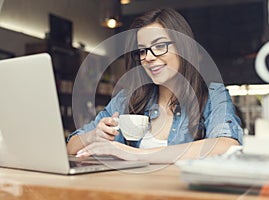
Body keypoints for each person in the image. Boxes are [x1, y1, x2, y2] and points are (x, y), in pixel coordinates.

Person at [66, 8, 243, 163]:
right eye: (142, 50)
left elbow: (227, 145)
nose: (148, 57)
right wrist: (93, 136)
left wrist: (134, 154)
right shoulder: (127, 99)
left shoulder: (213, 97)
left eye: (159, 46)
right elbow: (70, 146)